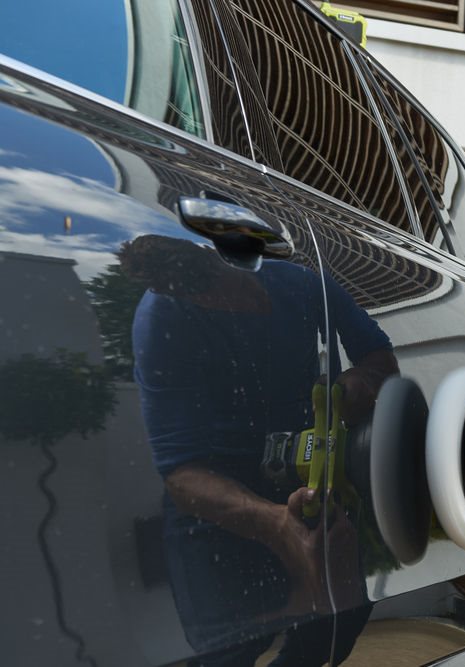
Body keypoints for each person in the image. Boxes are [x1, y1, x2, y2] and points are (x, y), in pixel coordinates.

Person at [124, 235, 396, 666]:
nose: (217, 302)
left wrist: (363, 382)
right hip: (214, 509)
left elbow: (379, 356)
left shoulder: (303, 284)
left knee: (338, 627)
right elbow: (181, 475)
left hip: (305, 483)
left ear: (220, 256)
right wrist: (275, 524)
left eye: (219, 286)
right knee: (227, 652)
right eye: (200, 299)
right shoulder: (161, 319)